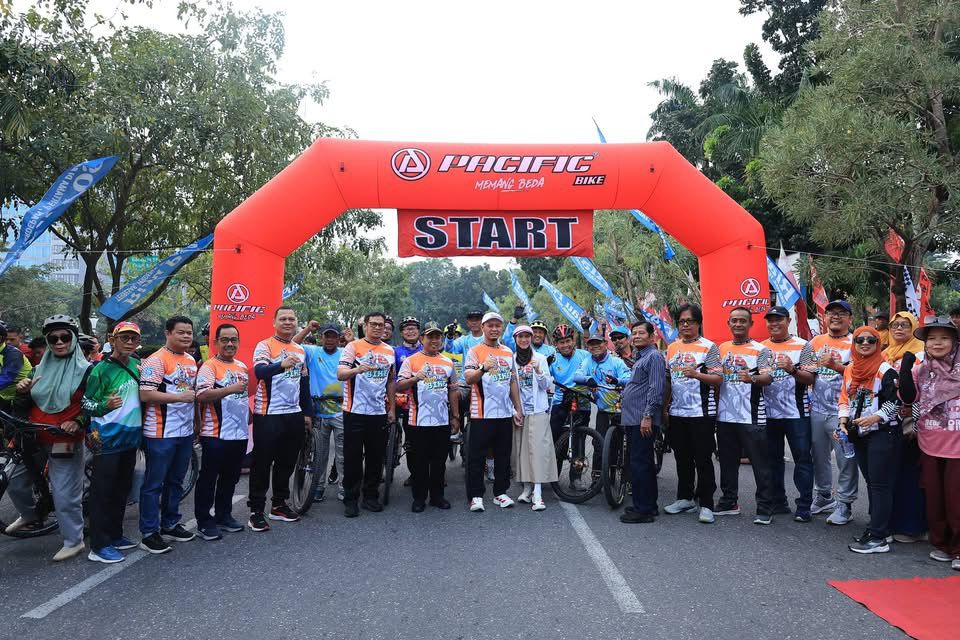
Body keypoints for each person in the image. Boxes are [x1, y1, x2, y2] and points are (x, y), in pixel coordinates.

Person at [6, 315, 89, 561]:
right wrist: (22, 393)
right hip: (33, 436)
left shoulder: (88, 371)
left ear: (73, 339)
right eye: (53, 338)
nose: (59, 342)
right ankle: (31, 514)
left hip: (64, 439)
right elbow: (23, 404)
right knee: (14, 480)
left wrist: (78, 421)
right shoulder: (38, 369)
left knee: (64, 494)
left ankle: (74, 540)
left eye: (64, 337)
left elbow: (96, 404)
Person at [83, 322, 144, 563]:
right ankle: (98, 545)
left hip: (130, 440)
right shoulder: (100, 370)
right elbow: (86, 404)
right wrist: (103, 406)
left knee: (121, 492)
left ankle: (115, 535)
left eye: (134, 339)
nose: (129, 342)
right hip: (107, 441)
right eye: (125, 338)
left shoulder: (137, 366)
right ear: (112, 339)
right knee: (102, 494)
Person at [248, 306, 313, 531]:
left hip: (293, 414)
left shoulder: (300, 349)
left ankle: (279, 504)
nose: (287, 322)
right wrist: (280, 365)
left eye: (291, 319)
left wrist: (307, 413)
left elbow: (304, 384)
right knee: (262, 463)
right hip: (268, 413)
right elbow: (259, 373)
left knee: (286, 462)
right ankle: (256, 510)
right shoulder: (265, 345)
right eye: (283, 319)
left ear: (296, 322)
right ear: (274, 322)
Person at [138, 315, 199, 553]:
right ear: (168, 333)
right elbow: (146, 394)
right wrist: (178, 397)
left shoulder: (191, 360)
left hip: (184, 431)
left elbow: (191, 394)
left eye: (189, 333)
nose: (186, 336)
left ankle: (170, 524)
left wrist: (195, 422)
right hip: (160, 432)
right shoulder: (156, 360)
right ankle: (149, 533)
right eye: (181, 332)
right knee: (154, 484)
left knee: (176, 481)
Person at [904, 317, 960, 570]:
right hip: (930, 441)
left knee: (956, 499)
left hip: (957, 445)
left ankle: (959, 549)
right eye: (932, 338)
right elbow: (908, 398)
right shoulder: (921, 369)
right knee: (935, 498)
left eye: (944, 338)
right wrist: (905, 370)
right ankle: (941, 544)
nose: (937, 343)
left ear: (955, 341)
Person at [841, 326, 903, 554]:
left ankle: (878, 538)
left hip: (882, 433)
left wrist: (876, 417)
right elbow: (844, 398)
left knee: (879, 485)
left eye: (871, 340)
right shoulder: (850, 369)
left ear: (878, 344)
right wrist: (842, 421)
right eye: (859, 340)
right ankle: (879, 528)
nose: (865, 344)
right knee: (872, 483)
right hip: (860, 434)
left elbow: (896, 401)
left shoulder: (886, 370)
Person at [716, 307, 775, 525]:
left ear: (750, 324)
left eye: (743, 321)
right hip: (725, 416)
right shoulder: (721, 349)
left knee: (760, 464)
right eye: (734, 321)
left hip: (751, 416)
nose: (738, 324)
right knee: (727, 462)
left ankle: (765, 507)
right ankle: (729, 502)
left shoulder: (761, 350)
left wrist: (753, 379)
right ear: (728, 324)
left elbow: (769, 378)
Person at [663, 304, 722, 523]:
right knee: (682, 457)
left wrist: (697, 375)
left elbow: (718, 379)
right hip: (678, 413)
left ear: (698, 323)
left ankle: (706, 503)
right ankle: (685, 498)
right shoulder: (672, 347)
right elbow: (669, 380)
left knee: (703, 458)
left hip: (701, 412)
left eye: (690, 321)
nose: (686, 325)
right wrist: (664, 407)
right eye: (682, 321)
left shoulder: (709, 347)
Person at [337, 311, 396, 517]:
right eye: (374, 324)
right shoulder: (352, 347)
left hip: (378, 412)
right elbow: (340, 374)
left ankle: (370, 496)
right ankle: (350, 499)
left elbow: (391, 380)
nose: (378, 328)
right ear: (366, 326)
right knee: (353, 457)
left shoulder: (389, 351)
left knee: (375, 456)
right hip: (354, 411)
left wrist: (392, 409)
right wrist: (357, 370)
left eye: (381, 325)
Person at [194, 324, 249, 540]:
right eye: (225, 339)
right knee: (209, 478)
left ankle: (224, 515)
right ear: (216, 342)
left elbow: (242, 397)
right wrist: (230, 390)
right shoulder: (209, 366)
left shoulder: (242, 366)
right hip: (215, 433)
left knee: (231, 477)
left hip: (238, 433)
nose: (229, 344)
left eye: (233, 340)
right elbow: (202, 395)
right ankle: (204, 521)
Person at [761, 306, 817, 522]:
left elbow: (811, 379)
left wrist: (792, 370)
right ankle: (778, 501)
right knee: (772, 459)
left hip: (797, 413)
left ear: (788, 320)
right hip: (768, 414)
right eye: (770, 321)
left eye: (779, 320)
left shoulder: (803, 346)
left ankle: (804, 505)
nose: (774, 324)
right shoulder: (762, 348)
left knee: (802, 459)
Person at [396, 321, 458, 512]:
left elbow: (453, 390)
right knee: (420, 461)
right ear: (422, 339)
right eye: (430, 337)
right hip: (418, 421)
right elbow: (398, 385)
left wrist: (455, 416)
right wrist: (415, 378)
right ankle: (419, 498)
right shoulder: (411, 361)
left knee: (439, 461)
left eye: (437, 337)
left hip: (441, 421)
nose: (434, 340)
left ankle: (437, 497)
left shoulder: (448, 362)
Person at [464, 312, 522, 512]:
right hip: (482, 414)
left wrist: (518, 408)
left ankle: (501, 493)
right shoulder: (475, 350)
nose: (494, 329)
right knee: (477, 457)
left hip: (504, 414)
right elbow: (469, 378)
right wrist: (483, 368)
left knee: (503, 455)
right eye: (490, 325)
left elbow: (512, 381)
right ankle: (476, 495)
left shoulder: (507, 352)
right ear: (483, 328)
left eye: (498, 325)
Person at [807, 300, 857, 525]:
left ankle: (845, 504)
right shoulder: (815, 342)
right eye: (831, 313)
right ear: (824, 318)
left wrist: (836, 366)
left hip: (843, 413)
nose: (835, 317)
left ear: (850, 318)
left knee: (846, 460)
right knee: (819, 457)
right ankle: (824, 496)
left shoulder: (858, 341)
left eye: (841, 313)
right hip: (817, 409)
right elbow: (810, 374)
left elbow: (862, 375)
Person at [884, 312, 928, 543]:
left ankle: (912, 526)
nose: (899, 329)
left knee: (912, 474)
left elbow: (927, 389)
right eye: (895, 325)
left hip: (913, 423)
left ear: (914, 327)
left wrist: (914, 411)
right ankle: (891, 521)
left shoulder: (922, 354)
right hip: (887, 421)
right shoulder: (884, 353)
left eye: (904, 325)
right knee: (893, 473)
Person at [619, 321, 667, 524]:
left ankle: (643, 510)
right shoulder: (642, 356)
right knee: (643, 463)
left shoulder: (654, 356)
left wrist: (647, 416)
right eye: (634, 333)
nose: (636, 336)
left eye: (641, 333)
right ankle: (648, 505)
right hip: (634, 419)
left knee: (639, 464)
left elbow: (656, 389)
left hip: (642, 420)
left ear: (651, 336)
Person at [295, 321, 345, 502]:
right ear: (321, 337)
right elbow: (292, 345)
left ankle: (344, 487)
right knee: (319, 453)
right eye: (327, 335)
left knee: (343, 453)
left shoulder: (345, 353)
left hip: (341, 410)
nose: (330, 339)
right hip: (318, 410)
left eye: (334, 336)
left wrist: (352, 339)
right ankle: (318, 487)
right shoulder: (312, 351)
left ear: (339, 338)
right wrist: (308, 329)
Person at [510, 324, 557, 511]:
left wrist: (538, 371)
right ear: (515, 339)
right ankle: (527, 487)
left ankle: (538, 493)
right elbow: (508, 387)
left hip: (538, 411)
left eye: (527, 337)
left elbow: (547, 384)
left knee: (538, 451)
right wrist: (515, 410)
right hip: (521, 411)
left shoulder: (539, 358)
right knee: (521, 451)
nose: (524, 340)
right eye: (520, 337)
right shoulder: (511, 360)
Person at [574, 332, 632, 470]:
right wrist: (589, 380)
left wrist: (618, 381)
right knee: (598, 443)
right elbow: (577, 376)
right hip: (603, 410)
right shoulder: (588, 361)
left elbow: (629, 379)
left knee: (626, 445)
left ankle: (627, 479)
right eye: (591, 344)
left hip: (621, 409)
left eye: (598, 343)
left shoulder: (616, 362)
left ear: (605, 344)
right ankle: (597, 476)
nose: (595, 347)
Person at [548, 324, 591, 446]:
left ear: (573, 340)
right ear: (556, 343)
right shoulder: (552, 359)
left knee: (579, 443)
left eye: (568, 341)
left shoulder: (584, 355)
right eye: (561, 342)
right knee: (557, 443)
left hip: (582, 402)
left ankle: (579, 462)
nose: (566, 345)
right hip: (560, 403)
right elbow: (542, 378)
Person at [394, 317, 423, 486]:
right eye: (406, 329)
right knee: (411, 442)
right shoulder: (396, 352)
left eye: (413, 328)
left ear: (418, 331)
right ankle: (414, 473)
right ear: (401, 333)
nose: (410, 331)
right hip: (404, 402)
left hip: (426, 402)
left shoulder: (427, 348)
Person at [0, 320, 31, 412]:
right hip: (4, 396)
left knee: (12, 425)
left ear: (2, 339)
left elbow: (7, 377)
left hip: (19, 398)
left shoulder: (13, 354)